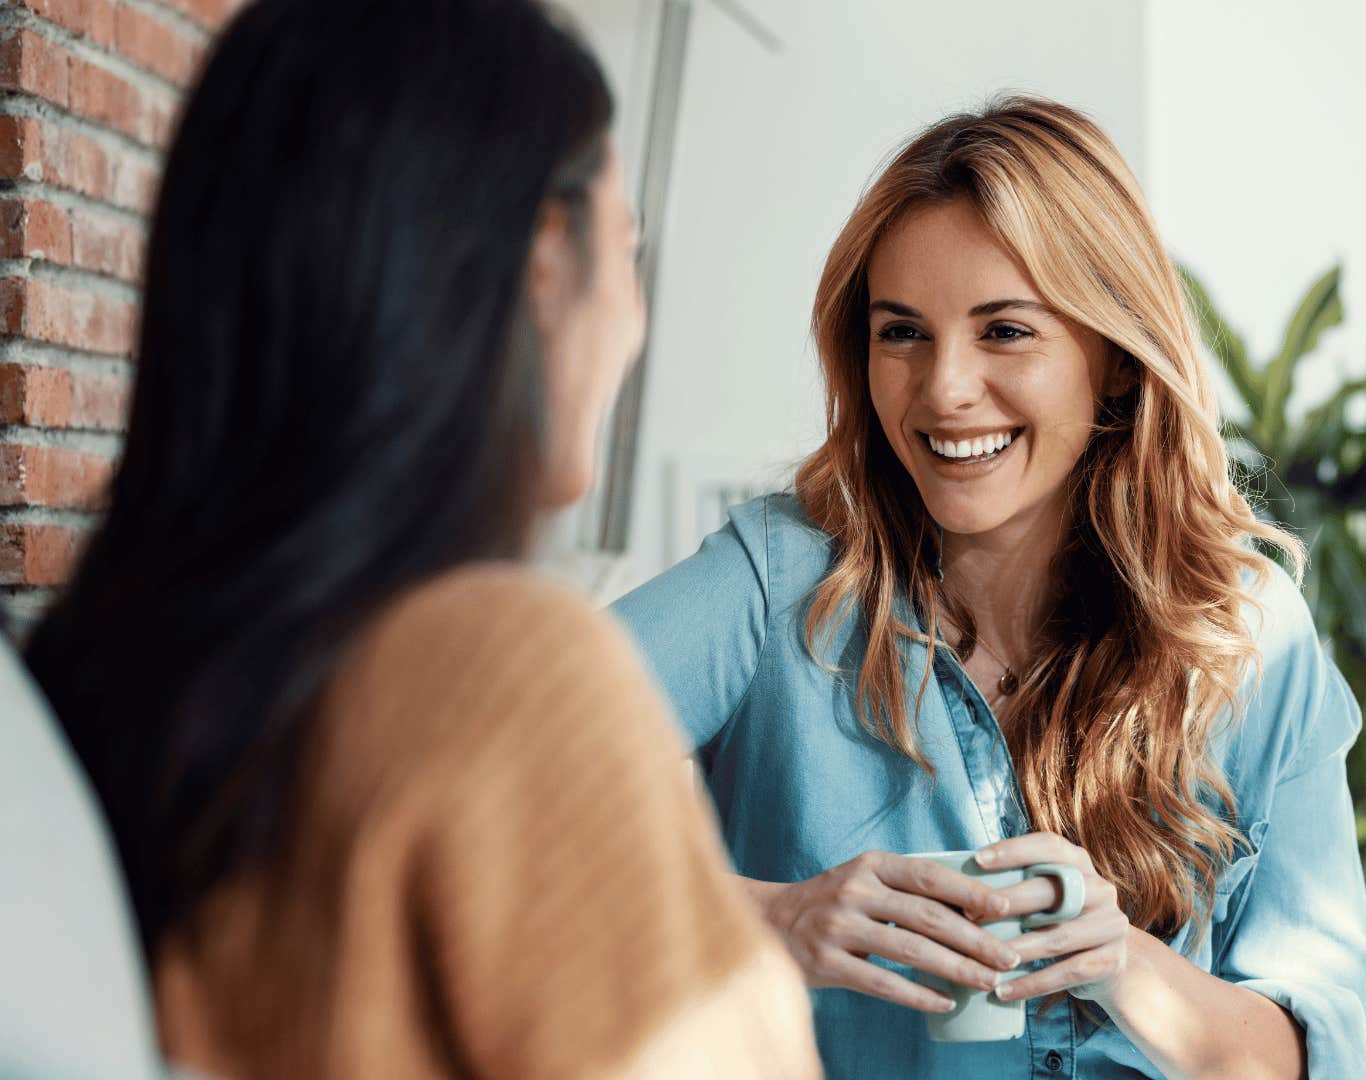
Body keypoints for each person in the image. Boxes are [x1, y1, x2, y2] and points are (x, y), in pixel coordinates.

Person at [24, 1, 819, 1076]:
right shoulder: (504, 668)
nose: (634, 312)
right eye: (630, 246)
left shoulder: (108, 677)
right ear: (545, 258)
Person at [611, 96, 1366, 1078]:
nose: (943, 389)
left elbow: (1324, 1059)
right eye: (903, 334)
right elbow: (478, 774)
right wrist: (774, 916)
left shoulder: (1248, 635)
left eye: (1004, 331)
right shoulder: (781, 585)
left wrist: (1124, 967)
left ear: (1110, 358)